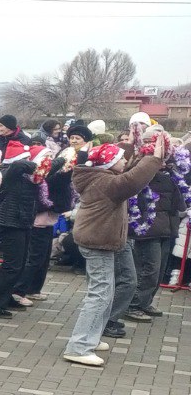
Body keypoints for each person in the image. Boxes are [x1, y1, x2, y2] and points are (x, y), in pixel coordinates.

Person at [62, 143, 162, 366]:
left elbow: (129, 175)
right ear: (109, 163)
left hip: (98, 241)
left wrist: (145, 156)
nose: (125, 161)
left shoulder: (99, 177)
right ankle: (79, 347)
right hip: (97, 243)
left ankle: (91, 337)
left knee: (103, 293)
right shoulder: (105, 182)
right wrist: (153, 159)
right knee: (100, 295)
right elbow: (132, 181)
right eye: (121, 158)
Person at [0, 142, 38, 319]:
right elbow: (18, 165)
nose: (29, 162)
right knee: (11, 265)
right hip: (10, 224)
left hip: (23, 222)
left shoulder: (24, 176)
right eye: (27, 159)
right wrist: (37, 162)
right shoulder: (8, 172)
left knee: (20, 264)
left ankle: (6, 297)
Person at [127, 155, 184, 319]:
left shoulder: (170, 177)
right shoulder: (140, 176)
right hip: (147, 229)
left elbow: (179, 203)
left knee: (159, 270)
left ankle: (145, 302)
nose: (164, 163)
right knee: (148, 269)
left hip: (167, 227)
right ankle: (133, 305)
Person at [12, 147, 71, 303]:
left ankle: (33, 288)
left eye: (51, 156)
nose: (50, 160)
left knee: (44, 258)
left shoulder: (48, 174)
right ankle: (18, 291)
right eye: (46, 156)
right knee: (34, 257)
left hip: (48, 220)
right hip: (37, 221)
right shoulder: (35, 177)